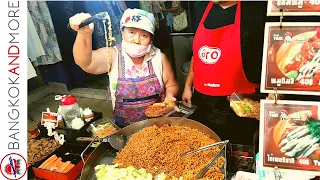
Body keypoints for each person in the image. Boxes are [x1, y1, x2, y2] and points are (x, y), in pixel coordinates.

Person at [69, 9, 179, 127]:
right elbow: (86, 62)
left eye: (144, 35)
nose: (137, 40)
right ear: (122, 31)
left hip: (159, 125)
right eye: (131, 32)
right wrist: (84, 34)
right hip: (125, 129)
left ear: (151, 38)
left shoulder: (159, 58)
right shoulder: (112, 55)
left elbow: (171, 84)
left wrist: (170, 96)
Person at [182, 1, 267, 145]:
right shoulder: (200, 8)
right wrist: (187, 86)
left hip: (240, 107)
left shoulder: (257, 9)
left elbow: (270, 57)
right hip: (204, 103)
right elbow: (197, 53)